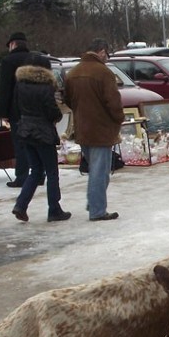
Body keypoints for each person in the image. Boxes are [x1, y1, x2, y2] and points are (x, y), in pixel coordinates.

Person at [64, 38, 124, 221]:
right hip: (101, 129)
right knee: (100, 171)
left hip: (82, 128)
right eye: (107, 53)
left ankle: (94, 202)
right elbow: (113, 102)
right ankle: (97, 209)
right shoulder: (104, 73)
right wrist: (119, 119)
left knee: (94, 169)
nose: (107, 57)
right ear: (101, 51)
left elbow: (68, 100)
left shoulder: (73, 72)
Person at [10, 55, 70, 223]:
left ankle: (21, 205)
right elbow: (52, 111)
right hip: (43, 132)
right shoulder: (46, 87)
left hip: (25, 131)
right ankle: (54, 209)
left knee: (35, 170)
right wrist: (57, 116)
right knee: (51, 172)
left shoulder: (20, 85)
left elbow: (15, 107)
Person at [0, 32, 35, 188]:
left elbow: (5, 88)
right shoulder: (35, 59)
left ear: (13, 44)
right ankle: (39, 174)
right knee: (36, 141)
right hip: (35, 108)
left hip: (17, 110)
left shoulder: (8, 61)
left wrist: (3, 113)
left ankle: (22, 176)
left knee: (20, 143)